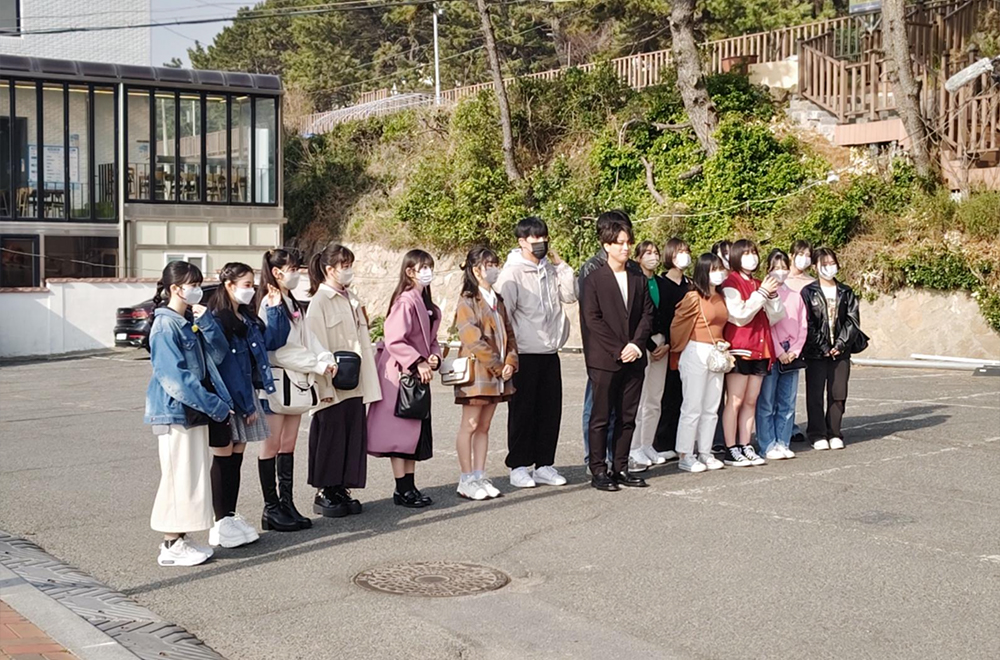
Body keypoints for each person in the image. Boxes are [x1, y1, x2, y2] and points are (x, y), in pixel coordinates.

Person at [145, 261, 233, 566]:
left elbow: (218, 354)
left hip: (193, 412)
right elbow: (174, 379)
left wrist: (206, 322)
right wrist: (216, 406)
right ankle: (170, 545)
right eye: (192, 284)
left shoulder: (188, 321)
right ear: (175, 289)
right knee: (177, 476)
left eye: (198, 283)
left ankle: (179, 539)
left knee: (189, 476)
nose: (197, 289)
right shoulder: (165, 325)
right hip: (175, 413)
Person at [204, 263, 290, 545]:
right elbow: (224, 365)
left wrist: (276, 309)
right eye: (246, 284)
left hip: (245, 393)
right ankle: (219, 522)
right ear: (229, 285)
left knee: (237, 454)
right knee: (224, 453)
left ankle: (229, 513)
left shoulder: (247, 318)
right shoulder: (217, 318)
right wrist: (243, 404)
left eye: (253, 284)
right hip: (227, 397)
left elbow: (272, 342)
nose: (251, 289)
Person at [256, 249, 336, 531]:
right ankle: (271, 508)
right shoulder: (270, 302)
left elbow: (308, 339)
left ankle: (286, 503)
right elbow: (275, 348)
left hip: (297, 382)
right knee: (271, 444)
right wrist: (316, 364)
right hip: (277, 383)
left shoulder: (291, 301)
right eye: (292, 269)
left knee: (287, 444)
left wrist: (324, 358)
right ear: (277, 272)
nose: (297, 273)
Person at [498, 217, 576, 488]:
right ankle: (518, 465)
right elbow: (504, 317)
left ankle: (545, 464)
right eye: (535, 239)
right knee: (522, 411)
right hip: (525, 352)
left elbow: (570, 295)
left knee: (550, 410)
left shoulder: (550, 269)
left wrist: (560, 265)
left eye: (545, 238)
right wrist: (508, 354)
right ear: (522, 241)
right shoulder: (512, 273)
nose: (542, 243)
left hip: (550, 350)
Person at [306, 244, 382, 516]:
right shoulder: (319, 302)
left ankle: (341, 487)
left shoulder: (352, 298)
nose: (349, 271)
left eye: (350, 265)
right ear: (330, 269)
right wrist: (323, 387)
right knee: (330, 435)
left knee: (350, 434)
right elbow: (315, 345)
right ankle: (325, 489)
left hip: (355, 380)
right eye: (344, 266)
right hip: (333, 381)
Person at [580, 216, 653, 491]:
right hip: (605, 359)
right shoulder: (594, 278)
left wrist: (636, 344)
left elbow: (647, 313)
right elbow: (592, 318)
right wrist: (618, 348)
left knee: (627, 415)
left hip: (634, 356)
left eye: (628, 242)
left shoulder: (637, 276)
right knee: (600, 417)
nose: (625, 248)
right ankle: (598, 470)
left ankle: (620, 467)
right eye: (620, 243)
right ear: (606, 245)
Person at [367, 249, 443, 508]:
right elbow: (394, 339)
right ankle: (402, 488)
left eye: (429, 267)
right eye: (423, 267)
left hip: (414, 375)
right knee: (400, 433)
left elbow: (432, 342)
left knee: (411, 432)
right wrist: (419, 360)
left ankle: (408, 486)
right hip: (400, 377)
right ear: (409, 271)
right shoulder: (405, 302)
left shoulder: (426, 305)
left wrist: (433, 357)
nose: (427, 272)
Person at [453, 247, 518, 501]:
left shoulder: (497, 298)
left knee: (485, 425)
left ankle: (480, 474)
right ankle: (466, 478)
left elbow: (510, 334)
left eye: (495, 263)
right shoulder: (468, 300)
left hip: (498, 373)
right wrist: (498, 365)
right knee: (469, 424)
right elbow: (472, 339)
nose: (493, 268)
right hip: (478, 372)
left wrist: (511, 361)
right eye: (488, 264)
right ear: (475, 269)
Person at [719, 239, 784, 467]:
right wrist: (762, 294)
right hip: (739, 348)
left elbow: (775, 317)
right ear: (736, 256)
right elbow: (738, 315)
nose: (752, 257)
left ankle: (746, 444)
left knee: (750, 401)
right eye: (746, 253)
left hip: (760, 349)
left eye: (754, 253)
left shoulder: (759, 283)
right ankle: (730, 447)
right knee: (734, 401)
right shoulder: (730, 282)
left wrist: (772, 296)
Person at [668, 254, 729, 473]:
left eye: (721, 268)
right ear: (704, 271)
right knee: (692, 406)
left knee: (711, 407)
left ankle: (705, 451)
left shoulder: (720, 296)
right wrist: (679, 348)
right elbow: (677, 325)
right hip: (695, 350)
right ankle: (685, 453)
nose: (719, 272)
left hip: (717, 352)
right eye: (714, 269)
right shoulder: (693, 297)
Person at [802, 247, 862, 451]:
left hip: (841, 351)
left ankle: (835, 432)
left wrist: (840, 344)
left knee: (838, 393)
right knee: (815, 393)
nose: (829, 267)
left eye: (832, 263)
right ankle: (817, 433)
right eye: (824, 264)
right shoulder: (808, 292)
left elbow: (852, 321)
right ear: (815, 267)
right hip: (816, 352)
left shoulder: (846, 291)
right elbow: (807, 322)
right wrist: (823, 345)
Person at [755, 249, 807, 461]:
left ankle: (783, 442)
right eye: (776, 267)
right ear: (768, 269)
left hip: (792, 355)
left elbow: (804, 326)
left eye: (784, 267)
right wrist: (779, 351)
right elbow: (767, 326)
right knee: (766, 401)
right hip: (771, 352)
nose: (781, 272)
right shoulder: (763, 294)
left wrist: (794, 350)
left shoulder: (796, 296)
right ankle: (766, 444)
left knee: (787, 402)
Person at [629, 240, 671, 469]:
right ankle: (634, 447)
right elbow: (637, 318)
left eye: (655, 252)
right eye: (647, 253)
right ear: (638, 258)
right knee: (639, 399)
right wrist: (649, 346)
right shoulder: (635, 282)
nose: (653, 257)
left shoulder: (660, 283)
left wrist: (666, 342)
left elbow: (668, 314)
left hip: (662, 343)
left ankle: (647, 444)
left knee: (655, 398)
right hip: (642, 345)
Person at [652, 237, 692, 462]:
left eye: (686, 251)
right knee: (664, 394)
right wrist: (665, 341)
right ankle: (661, 441)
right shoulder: (660, 283)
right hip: (665, 346)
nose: (683, 256)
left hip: (687, 347)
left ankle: (681, 440)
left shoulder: (691, 284)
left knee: (683, 395)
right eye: (678, 252)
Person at [785, 240, 815, 444]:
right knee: (785, 386)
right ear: (791, 255)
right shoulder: (780, 279)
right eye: (800, 254)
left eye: (807, 255)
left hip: (808, 338)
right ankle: (789, 426)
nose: (804, 258)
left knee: (806, 386)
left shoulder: (813, 282)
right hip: (786, 339)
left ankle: (814, 426)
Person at [709, 239, 733, 454]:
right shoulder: (712, 286)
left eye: (729, 253)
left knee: (735, 397)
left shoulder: (736, 281)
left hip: (737, 346)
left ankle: (732, 438)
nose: (726, 258)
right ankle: (716, 439)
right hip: (715, 347)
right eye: (721, 254)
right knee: (715, 396)